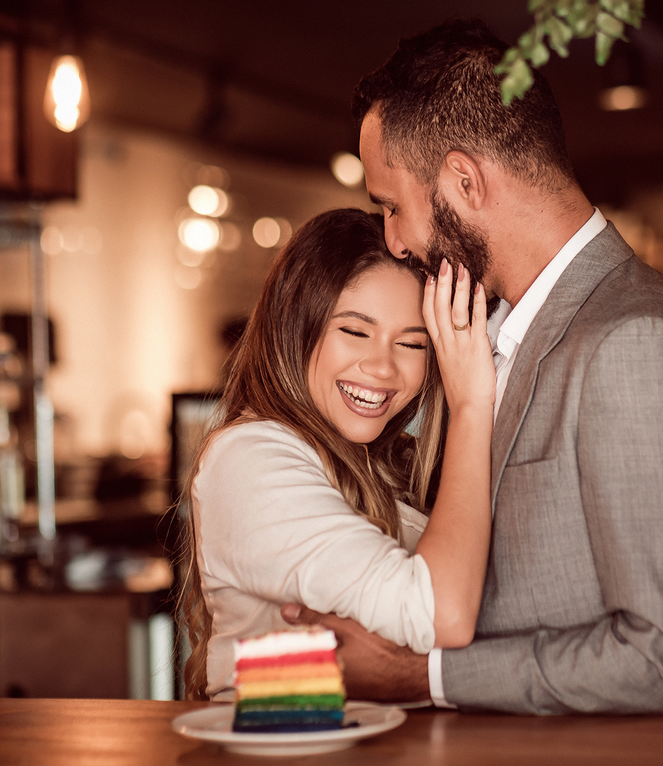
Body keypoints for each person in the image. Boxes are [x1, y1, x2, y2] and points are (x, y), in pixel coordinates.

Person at [282, 20, 663, 714]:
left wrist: (422, 676)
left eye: (392, 206)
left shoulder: (636, 339)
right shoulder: (483, 331)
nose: (393, 240)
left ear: (465, 180)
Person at [178, 208, 495, 700]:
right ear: (295, 327)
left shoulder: (390, 463)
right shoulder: (246, 457)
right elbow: (442, 614)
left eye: (412, 344)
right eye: (354, 331)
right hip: (287, 748)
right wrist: (473, 403)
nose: (383, 367)